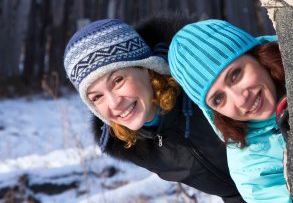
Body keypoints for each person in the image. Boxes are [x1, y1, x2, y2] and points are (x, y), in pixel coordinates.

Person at [63, 16, 244, 202]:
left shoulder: (203, 84)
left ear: (147, 67)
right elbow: (233, 191)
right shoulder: (134, 146)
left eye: (118, 81)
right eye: (97, 97)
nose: (114, 103)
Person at [168, 19, 292, 202]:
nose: (241, 100)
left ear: (255, 54)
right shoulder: (250, 167)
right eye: (218, 99)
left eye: (235, 75)